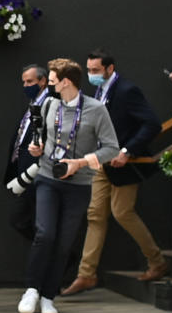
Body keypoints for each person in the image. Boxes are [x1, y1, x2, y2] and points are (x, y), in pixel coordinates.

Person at [19, 58, 120, 313]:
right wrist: (37, 146)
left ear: (66, 82)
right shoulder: (50, 104)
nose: (49, 85)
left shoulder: (96, 110)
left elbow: (112, 148)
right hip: (47, 178)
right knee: (45, 234)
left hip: (79, 183)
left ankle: (49, 295)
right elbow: (39, 134)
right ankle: (31, 289)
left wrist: (81, 163)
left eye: (52, 81)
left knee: (64, 242)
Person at [62, 50, 166, 295]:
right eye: (89, 70)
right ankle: (86, 274)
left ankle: (157, 261)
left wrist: (128, 150)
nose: (92, 75)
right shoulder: (99, 92)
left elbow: (152, 123)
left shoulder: (127, 91)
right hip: (100, 163)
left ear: (110, 68)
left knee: (122, 212)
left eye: (96, 71)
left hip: (124, 165)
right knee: (95, 215)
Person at [4, 64, 49, 241]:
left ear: (43, 81)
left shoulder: (48, 103)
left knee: (25, 219)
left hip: (37, 170)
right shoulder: (33, 103)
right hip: (24, 170)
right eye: (24, 82)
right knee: (29, 220)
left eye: (30, 81)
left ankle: (62, 259)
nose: (26, 86)